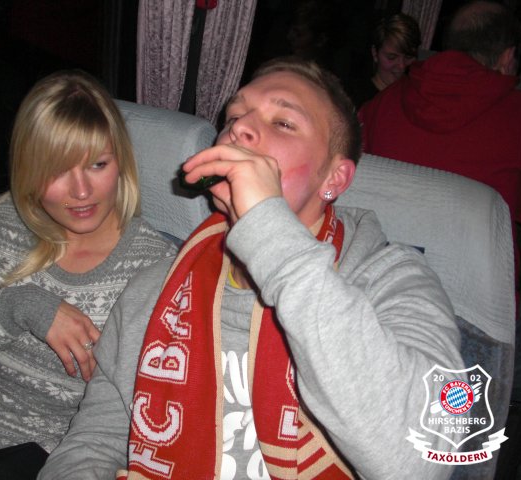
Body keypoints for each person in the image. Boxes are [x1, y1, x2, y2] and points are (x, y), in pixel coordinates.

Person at [39, 57, 463, 479]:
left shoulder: (393, 279)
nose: (239, 127)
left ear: (334, 178)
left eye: (283, 123)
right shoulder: (154, 291)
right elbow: (93, 444)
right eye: (234, 116)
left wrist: (267, 227)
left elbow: (425, 457)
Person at [0, 70, 177, 479]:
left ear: (121, 162)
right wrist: (17, 306)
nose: (82, 191)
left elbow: (145, 415)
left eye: (98, 164)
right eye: (57, 170)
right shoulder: (3, 222)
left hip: (50, 466)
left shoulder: (157, 267)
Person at [359, 1, 521, 248]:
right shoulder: (517, 116)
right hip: (473, 267)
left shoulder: (381, 103)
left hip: (383, 256)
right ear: (508, 56)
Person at [344, 13, 421, 108]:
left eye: (408, 57)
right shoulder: (354, 97)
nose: (402, 66)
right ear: (375, 53)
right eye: (392, 57)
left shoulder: (415, 96)